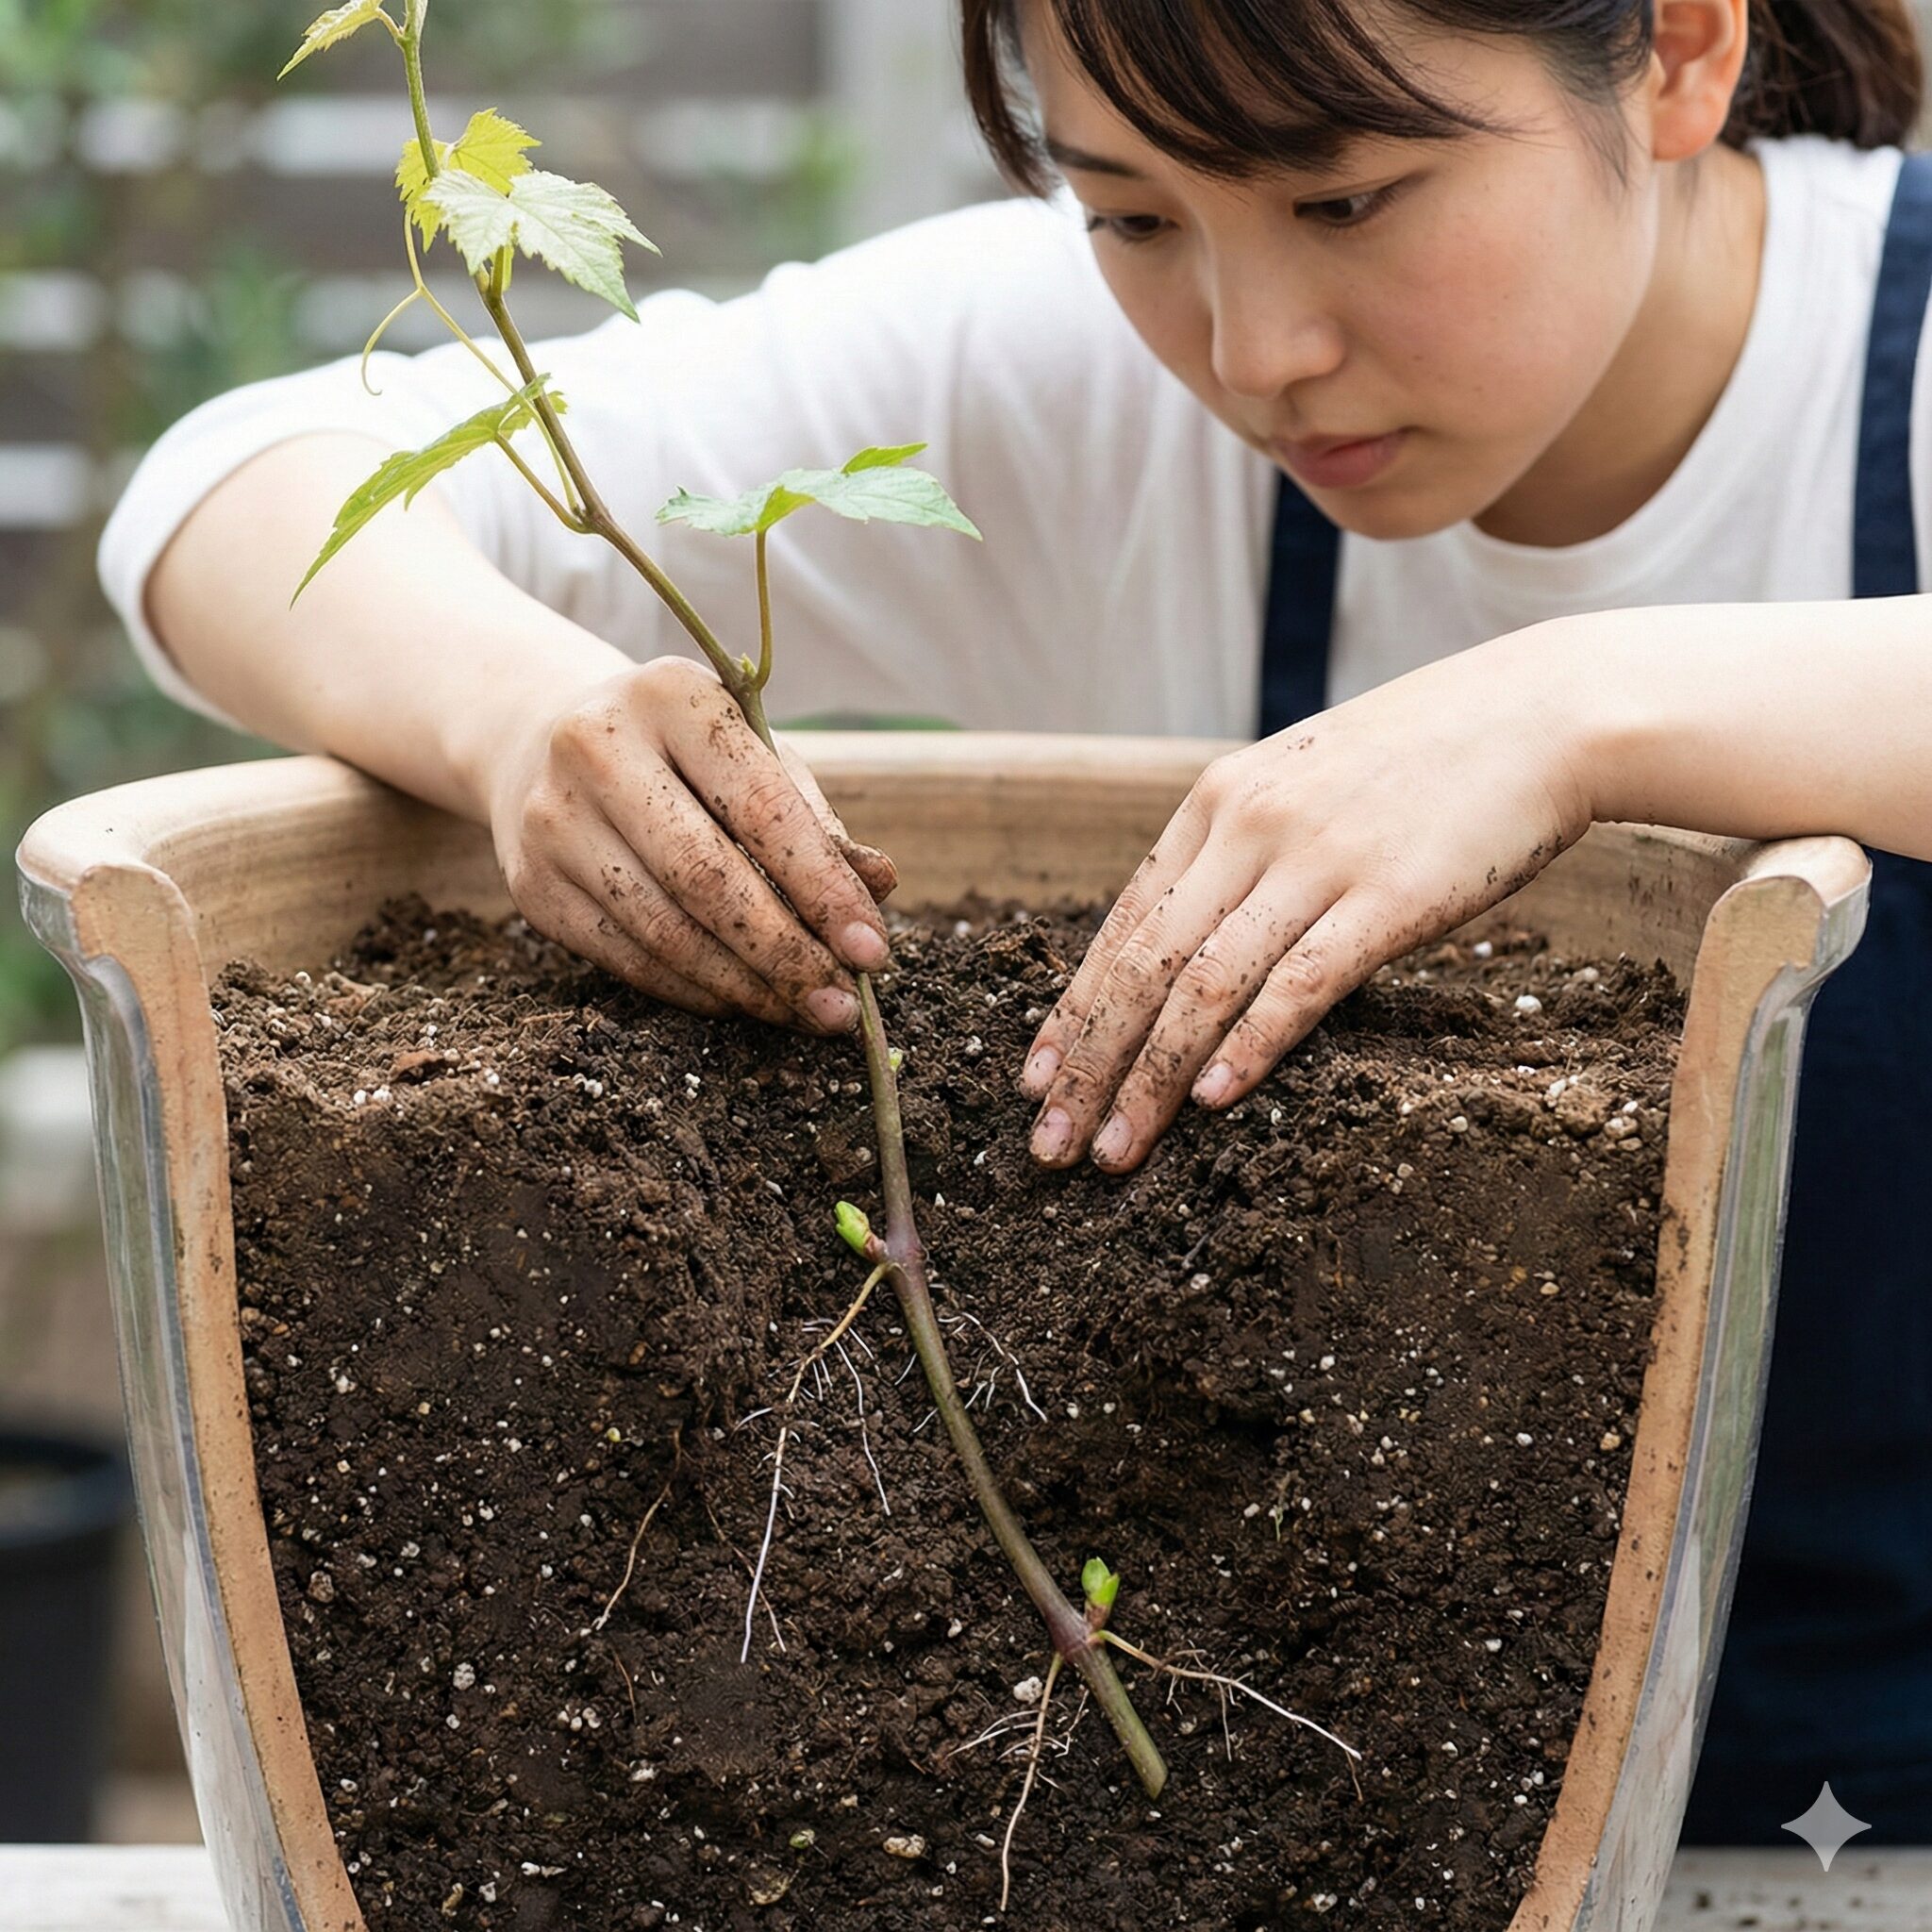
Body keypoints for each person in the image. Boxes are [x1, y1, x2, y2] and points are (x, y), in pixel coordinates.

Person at [99, 0, 1931, 1844]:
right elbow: (227, 494)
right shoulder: (1074, 384)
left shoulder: (1896, 342)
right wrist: (515, 716)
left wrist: (1568, 706)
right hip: (1353, 1832)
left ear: (1683, 52)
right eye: (1132, 213)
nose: (1252, 349)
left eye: (1350, 199)